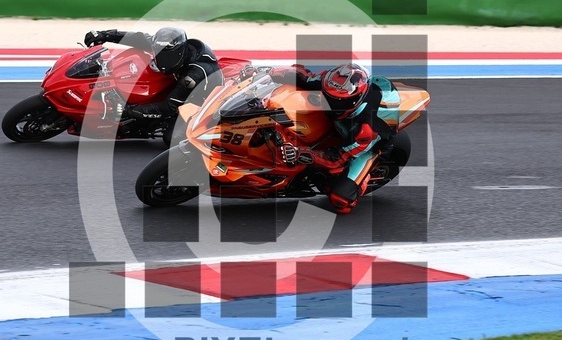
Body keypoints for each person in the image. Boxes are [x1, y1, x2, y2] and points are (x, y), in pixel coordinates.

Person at [245, 63, 396, 214]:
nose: (328, 101)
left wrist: (301, 154)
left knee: (340, 200)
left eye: (335, 101)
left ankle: (364, 179)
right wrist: (268, 72)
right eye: (327, 95)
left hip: (366, 146)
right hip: (346, 122)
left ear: (353, 101)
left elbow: (335, 158)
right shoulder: (332, 83)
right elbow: (305, 77)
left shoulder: (367, 129)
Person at [84, 27, 222, 121]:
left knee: (173, 137)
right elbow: (137, 38)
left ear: (176, 54)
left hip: (199, 103)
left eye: (163, 56)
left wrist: (127, 111)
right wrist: (105, 35)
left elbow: (169, 107)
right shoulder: (166, 46)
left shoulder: (194, 74)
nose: (158, 56)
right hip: (178, 80)